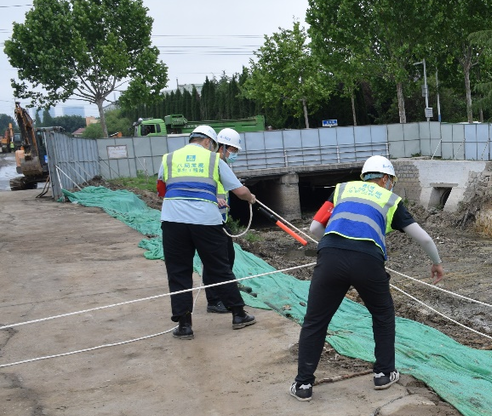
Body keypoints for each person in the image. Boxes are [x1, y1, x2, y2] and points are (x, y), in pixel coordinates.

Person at [291, 155, 444, 401]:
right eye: (391, 179)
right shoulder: (389, 198)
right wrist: (436, 263)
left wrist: (332, 248)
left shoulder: (342, 189)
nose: (391, 183)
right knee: (382, 315)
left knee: (315, 320)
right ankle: (383, 373)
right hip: (367, 260)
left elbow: (315, 228)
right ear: (385, 178)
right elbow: (424, 238)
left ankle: (303, 385)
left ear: (364, 176)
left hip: (330, 256)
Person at [157, 125, 258, 339]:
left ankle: (184, 326)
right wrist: (250, 198)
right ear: (208, 142)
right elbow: (239, 191)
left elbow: (161, 190)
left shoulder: (168, 158)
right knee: (219, 267)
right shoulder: (214, 160)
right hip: (206, 221)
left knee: (178, 272)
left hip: (173, 220)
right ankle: (238, 314)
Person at [205, 128, 244, 314]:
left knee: (228, 257)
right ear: (223, 146)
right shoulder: (213, 163)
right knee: (215, 260)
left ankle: (226, 291)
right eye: (233, 150)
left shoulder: (222, 163)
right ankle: (214, 300)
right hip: (211, 220)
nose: (234, 154)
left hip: (220, 218)